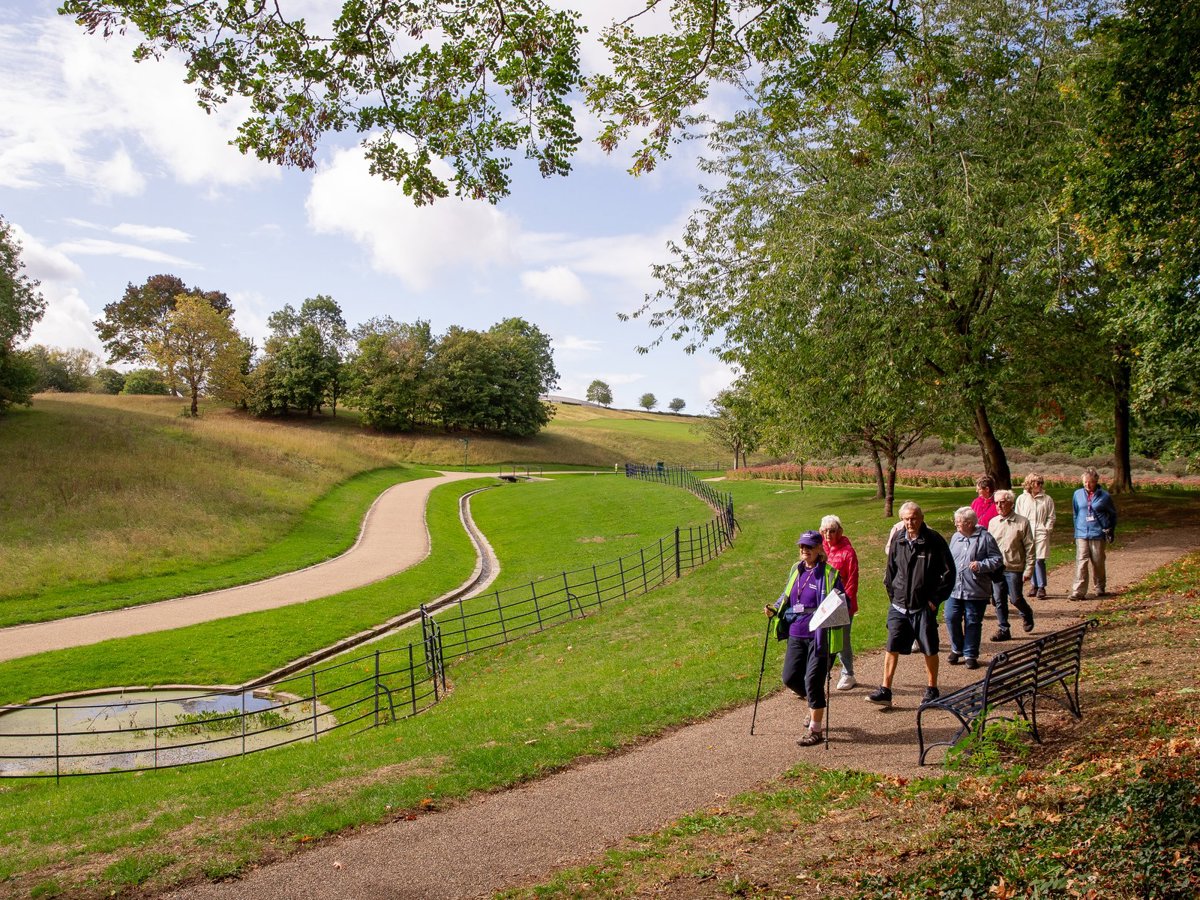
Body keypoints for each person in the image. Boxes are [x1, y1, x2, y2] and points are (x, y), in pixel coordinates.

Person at [764, 530, 849, 747]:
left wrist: (828, 613)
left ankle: (816, 729)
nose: (805, 550)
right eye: (802, 546)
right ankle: (814, 701)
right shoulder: (797, 570)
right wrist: (775, 608)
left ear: (820, 549)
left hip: (819, 636)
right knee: (790, 678)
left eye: (809, 547)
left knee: (812, 680)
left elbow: (841, 602)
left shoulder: (829, 574)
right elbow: (786, 594)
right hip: (796, 632)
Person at [867, 501, 954, 707]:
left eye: (913, 518)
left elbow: (949, 573)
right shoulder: (898, 539)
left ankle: (932, 689)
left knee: (929, 648)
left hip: (923, 607)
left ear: (921, 518)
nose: (910, 522)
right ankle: (885, 689)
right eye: (906, 519)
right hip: (899, 606)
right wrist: (894, 595)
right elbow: (890, 572)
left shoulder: (934, 540)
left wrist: (934, 601)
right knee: (891, 646)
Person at [945, 507, 1003, 670]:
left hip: (975, 588)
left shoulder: (985, 538)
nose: (956, 524)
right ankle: (957, 648)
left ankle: (970, 654)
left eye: (959, 521)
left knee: (972, 621)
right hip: (955, 587)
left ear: (969, 523)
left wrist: (981, 565)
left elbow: (997, 559)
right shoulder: (956, 537)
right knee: (950, 617)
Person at [988, 489, 1036, 640]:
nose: (999, 506)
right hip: (996, 568)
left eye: (1003, 502)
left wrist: (1029, 569)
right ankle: (1003, 629)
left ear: (1011, 503)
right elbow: (988, 546)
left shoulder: (1022, 522)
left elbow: (1030, 547)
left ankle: (1027, 612)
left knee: (1015, 598)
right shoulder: (993, 522)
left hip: (1014, 567)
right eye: (996, 503)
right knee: (998, 600)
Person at [820, 514, 859, 690]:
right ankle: (820, 674)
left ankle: (848, 673)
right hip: (822, 604)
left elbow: (852, 580)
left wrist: (845, 604)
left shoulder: (847, 552)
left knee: (842, 641)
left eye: (832, 531)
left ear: (840, 532)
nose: (828, 534)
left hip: (842, 603)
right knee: (822, 640)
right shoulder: (820, 548)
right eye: (825, 531)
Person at [1068, 467, 1118, 601]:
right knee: (1081, 562)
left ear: (1096, 482)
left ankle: (1100, 587)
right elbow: (1075, 513)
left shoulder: (1105, 496)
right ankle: (1078, 591)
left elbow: (1112, 514)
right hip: (1082, 533)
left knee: (1098, 561)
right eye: (1085, 482)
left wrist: (1111, 529)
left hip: (1098, 533)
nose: (1087, 485)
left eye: (1090, 482)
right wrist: (1076, 530)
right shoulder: (1077, 494)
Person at [1015, 473, 1055, 599]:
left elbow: (1051, 516)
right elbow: (1018, 515)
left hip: (1040, 531)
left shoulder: (1047, 499)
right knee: (1030, 558)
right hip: (1026, 532)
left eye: (1041, 483)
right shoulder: (1022, 498)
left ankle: (1041, 586)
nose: (1039, 485)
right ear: (1030, 484)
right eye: (1037, 483)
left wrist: (1047, 529)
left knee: (1039, 559)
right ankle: (1034, 585)